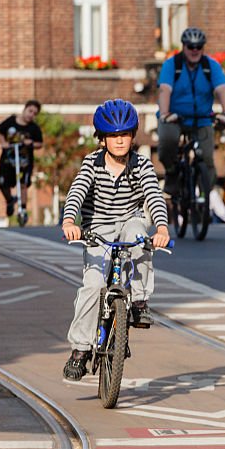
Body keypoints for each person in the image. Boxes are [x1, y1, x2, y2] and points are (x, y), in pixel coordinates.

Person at [60, 100, 171, 381]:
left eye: (125, 135)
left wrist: (161, 227)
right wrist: (70, 222)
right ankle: (80, 351)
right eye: (113, 135)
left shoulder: (141, 165)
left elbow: (153, 196)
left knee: (139, 237)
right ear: (102, 139)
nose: (120, 140)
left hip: (129, 221)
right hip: (97, 228)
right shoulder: (92, 164)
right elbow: (77, 192)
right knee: (93, 285)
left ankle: (139, 303)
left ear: (133, 136)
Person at [157, 27, 225, 198]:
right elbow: (164, 90)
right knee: (167, 143)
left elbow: (222, 91)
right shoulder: (172, 65)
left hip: (202, 119)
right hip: (174, 117)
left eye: (198, 47)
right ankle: (171, 173)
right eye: (190, 46)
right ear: (183, 47)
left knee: (207, 159)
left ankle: (203, 197)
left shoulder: (210, 66)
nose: (194, 50)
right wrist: (165, 114)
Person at [0, 99, 44, 217]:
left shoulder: (33, 128)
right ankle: (10, 200)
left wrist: (31, 143)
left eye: (34, 113)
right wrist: (3, 143)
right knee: (2, 183)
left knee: (23, 184)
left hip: (25, 162)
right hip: (8, 161)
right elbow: (0, 130)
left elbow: (40, 143)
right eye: (30, 111)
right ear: (25, 109)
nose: (31, 114)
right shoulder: (11, 121)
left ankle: (22, 210)